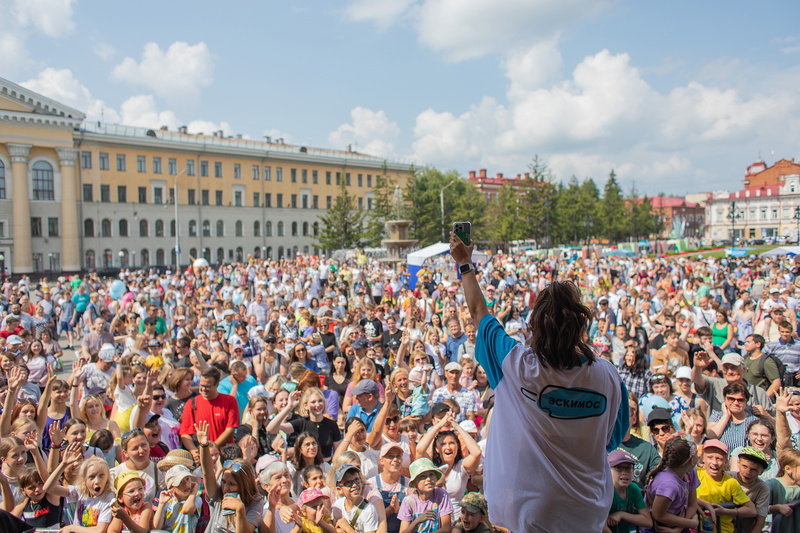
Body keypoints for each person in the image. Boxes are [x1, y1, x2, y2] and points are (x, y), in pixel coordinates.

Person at [450, 234, 627, 533]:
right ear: (582, 326)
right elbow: (611, 439)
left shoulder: (516, 365)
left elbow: (480, 314)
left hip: (532, 512)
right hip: (587, 511)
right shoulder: (608, 376)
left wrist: (465, 264)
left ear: (533, 325)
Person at [696, 438, 756, 533]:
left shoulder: (730, 482)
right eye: (710, 457)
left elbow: (752, 510)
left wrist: (725, 511)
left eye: (719, 458)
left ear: (726, 461)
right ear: (703, 458)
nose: (714, 463)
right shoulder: (696, 474)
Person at [397, 458, 452, 533]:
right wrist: (417, 521)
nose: (428, 479)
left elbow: (446, 529)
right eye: (423, 476)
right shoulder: (408, 501)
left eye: (431, 474)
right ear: (414, 483)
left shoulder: (441, 494)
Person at [603, 450, 650, 533]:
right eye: (618, 468)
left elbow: (648, 521)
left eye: (628, 468)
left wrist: (622, 514)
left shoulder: (633, 488)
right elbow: (602, 527)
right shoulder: (605, 491)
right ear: (608, 470)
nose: (624, 473)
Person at [730, 447, 771, 533]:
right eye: (744, 466)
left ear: (761, 471)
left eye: (753, 470)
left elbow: (760, 522)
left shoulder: (762, 488)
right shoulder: (727, 478)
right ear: (738, 463)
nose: (748, 472)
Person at [331, 464, 379, 533]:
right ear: (339, 489)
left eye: (356, 480)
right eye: (348, 483)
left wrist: (347, 528)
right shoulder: (338, 506)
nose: (354, 485)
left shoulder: (368, 509)